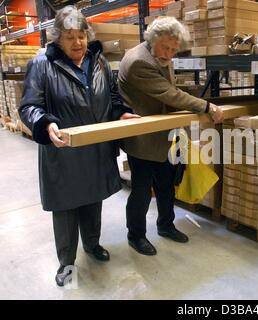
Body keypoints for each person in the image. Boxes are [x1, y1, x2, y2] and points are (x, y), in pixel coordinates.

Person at [19, 6, 140, 287]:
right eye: (70, 36)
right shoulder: (42, 64)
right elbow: (29, 106)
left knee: (92, 199)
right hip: (63, 150)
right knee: (66, 208)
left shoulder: (98, 61)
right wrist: (45, 124)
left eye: (81, 35)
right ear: (57, 38)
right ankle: (66, 263)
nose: (78, 43)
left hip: (95, 147)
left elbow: (111, 95)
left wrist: (120, 111)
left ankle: (93, 245)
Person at [118, 16, 224, 256]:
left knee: (166, 186)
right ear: (152, 39)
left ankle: (165, 226)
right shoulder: (138, 62)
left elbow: (170, 92)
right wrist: (206, 106)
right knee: (142, 191)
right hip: (143, 139)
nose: (169, 54)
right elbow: (170, 94)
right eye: (166, 47)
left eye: (174, 50)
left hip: (164, 136)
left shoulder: (161, 55)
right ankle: (136, 235)